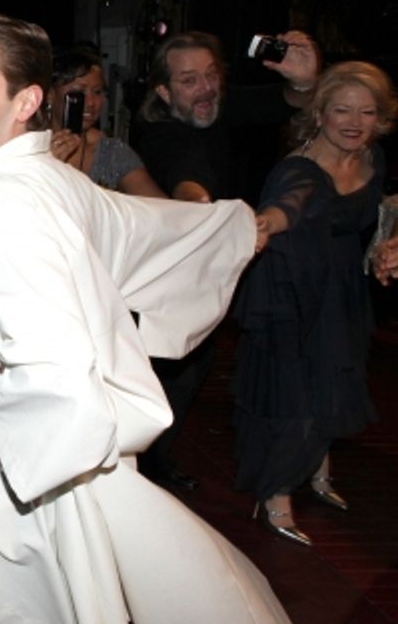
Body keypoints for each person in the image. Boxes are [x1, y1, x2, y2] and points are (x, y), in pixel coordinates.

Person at [0, 11, 303, 624]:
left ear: (27, 100)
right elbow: (136, 226)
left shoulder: (16, 203)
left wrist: (39, 446)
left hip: (16, 448)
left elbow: (58, 362)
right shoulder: (40, 177)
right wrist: (224, 229)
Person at [134, 29, 319, 491]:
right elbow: (186, 171)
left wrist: (304, 81)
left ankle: (151, 457)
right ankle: (142, 462)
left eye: (212, 76)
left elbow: (286, 102)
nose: (205, 89)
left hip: (208, 262)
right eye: (190, 80)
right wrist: (200, 205)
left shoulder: (217, 106)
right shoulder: (157, 128)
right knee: (168, 366)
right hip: (158, 270)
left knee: (193, 363)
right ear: (164, 90)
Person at [234, 61, 395, 546]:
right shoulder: (300, 169)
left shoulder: (372, 158)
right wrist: (264, 224)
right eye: (342, 109)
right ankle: (276, 492)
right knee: (296, 396)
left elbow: (384, 203)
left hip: (342, 287)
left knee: (337, 379)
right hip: (295, 290)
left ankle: (317, 470)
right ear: (319, 112)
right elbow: (288, 206)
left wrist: (390, 244)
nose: (354, 121)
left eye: (367, 112)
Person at [47, 44, 164, 197]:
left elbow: (159, 207)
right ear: (50, 95)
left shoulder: (111, 152)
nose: (91, 102)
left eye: (97, 92)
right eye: (78, 93)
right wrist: (45, 168)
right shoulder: (25, 146)